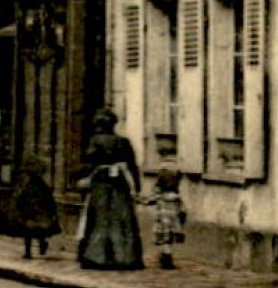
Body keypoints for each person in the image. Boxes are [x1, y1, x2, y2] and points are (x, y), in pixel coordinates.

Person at [75, 108, 144, 270]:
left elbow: (89, 162)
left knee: (99, 219)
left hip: (101, 184)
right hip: (120, 185)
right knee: (121, 219)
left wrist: (82, 179)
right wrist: (136, 187)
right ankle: (125, 257)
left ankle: (97, 257)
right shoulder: (123, 142)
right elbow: (132, 166)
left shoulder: (95, 141)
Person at [11, 154, 62, 259]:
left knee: (34, 230)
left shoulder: (35, 185)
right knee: (30, 231)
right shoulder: (35, 184)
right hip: (31, 211)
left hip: (37, 211)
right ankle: (31, 250)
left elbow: (47, 199)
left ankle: (35, 248)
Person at [145, 165, 186, 270]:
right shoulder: (177, 198)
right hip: (173, 222)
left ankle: (166, 259)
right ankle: (167, 257)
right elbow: (183, 210)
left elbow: (148, 201)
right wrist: (181, 222)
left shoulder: (160, 196)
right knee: (169, 240)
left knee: (164, 241)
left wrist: (137, 199)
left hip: (162, 221)